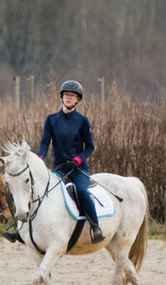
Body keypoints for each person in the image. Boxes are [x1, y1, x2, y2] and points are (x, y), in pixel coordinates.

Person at [7, 79, 104, 244]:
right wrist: (39, 158)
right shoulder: (51, 119)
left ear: (78, 100)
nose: (68, 98)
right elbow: (45, 142)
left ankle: (95, 227)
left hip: (78, 170)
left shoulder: (82, 121)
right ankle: (19, 230)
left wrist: (78, 159)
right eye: (66, 95)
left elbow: (90, 147)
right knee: (34, 191)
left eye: (72, 96)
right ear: (61, 97)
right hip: (58, 169)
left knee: (80, 191)